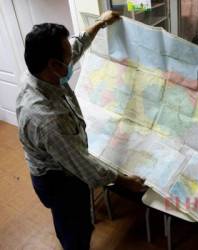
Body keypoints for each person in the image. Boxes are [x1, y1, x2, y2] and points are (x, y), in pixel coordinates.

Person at [16, 10, 146, 250]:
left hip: (61, 166)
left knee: (69, 221)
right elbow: (84, 166)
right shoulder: (47, 119)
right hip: (58, 179)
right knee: (76, 228)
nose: (70, 60)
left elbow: (74, 48)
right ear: (53, 65)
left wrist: (99, 24)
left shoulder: (41, 73)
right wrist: (126, 181)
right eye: (65, 59)